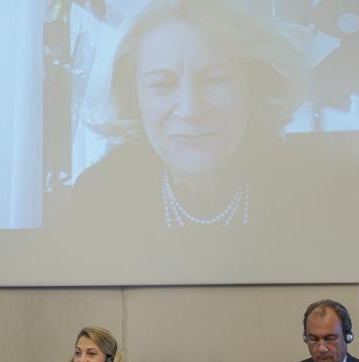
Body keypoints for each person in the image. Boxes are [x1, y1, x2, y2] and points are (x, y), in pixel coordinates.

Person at [72, 0, 307, 233]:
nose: (189, 110)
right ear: (133, 97)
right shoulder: (98, 200)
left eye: (214, 79)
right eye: (162, 84)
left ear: (255, 85)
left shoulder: (313, 187)